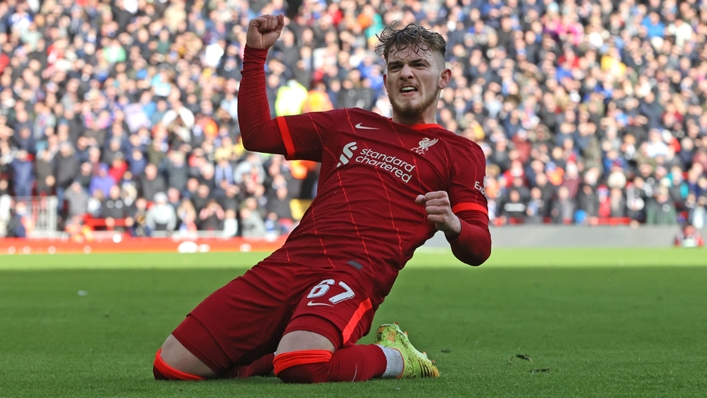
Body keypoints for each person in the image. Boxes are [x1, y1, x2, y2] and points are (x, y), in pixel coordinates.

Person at [154, 15, 491, 384]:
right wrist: (255, 55)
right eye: (396, 66)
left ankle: (396, 357)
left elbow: (478, 249)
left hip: (354, 272)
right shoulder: (347, 123)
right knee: (172, 366)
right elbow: (257, 135)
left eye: (418, 65)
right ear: (385, 79)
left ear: (444, 78)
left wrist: (455, 226)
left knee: (303, 363)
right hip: (291, 260)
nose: (405, 73)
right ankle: (267, 357)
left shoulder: (460, 152)